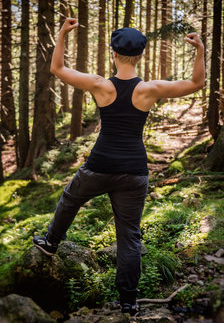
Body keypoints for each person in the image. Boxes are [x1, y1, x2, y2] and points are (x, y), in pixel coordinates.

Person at [33, 18, 205, 316]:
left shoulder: (100, 85)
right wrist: (200, 50)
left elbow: (57, 69)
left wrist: (62, 34)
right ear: (141, 56)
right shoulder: (149, 90)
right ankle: (128, 301)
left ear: (113, 53)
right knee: (129, 236)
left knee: (71, 199)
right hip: (134, 171)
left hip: (99, 164)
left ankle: (51, 241)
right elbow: (195, 84)